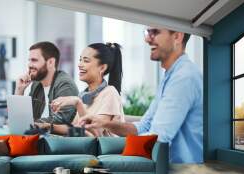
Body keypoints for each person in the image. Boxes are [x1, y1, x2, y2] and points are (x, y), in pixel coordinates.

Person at [80, 28, 203, 163]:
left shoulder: (183, 77)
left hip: (183, 172)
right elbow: (143, 126)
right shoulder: (170, 76)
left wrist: (116, 152)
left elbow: (159, 137)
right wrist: (106, 124)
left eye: (155, 33)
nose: (147, 39)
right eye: (147, 33)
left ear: (178, 37)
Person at [39, 42, 125, 137]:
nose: (80, 64)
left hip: (99, 150)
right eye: (80, 60)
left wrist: (77, 103)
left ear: (102, 67)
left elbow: (96, 133)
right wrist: (48, 127)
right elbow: (75, 128)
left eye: (86, 61)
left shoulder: (110, 93)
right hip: (85, 148)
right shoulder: (85, 95)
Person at [15, 41, 78, 124]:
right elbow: (23, 117)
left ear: (51, 62)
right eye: (29, 60)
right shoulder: (36, 84)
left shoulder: (65, 85)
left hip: (55, 137)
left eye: (34, 60)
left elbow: (60, 121)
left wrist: (29, 124)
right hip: (36, 135)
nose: (29, 65)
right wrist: (19, 90)